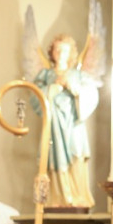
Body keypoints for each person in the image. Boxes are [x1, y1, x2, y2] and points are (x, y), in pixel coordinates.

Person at [33, 34, 100, 208]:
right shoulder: (45, 75)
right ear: (51, 53)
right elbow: (35, 95)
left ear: (71, 53)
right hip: (54, 125)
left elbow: (91, 95)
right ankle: (56, 198)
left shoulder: (78, 76)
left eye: (64, 50)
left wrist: (72, 87)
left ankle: (77, 196)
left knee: (76, 153)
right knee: (54, 155)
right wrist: (52, 89)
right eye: (57, 49)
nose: (60, 53)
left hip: (73, 124)